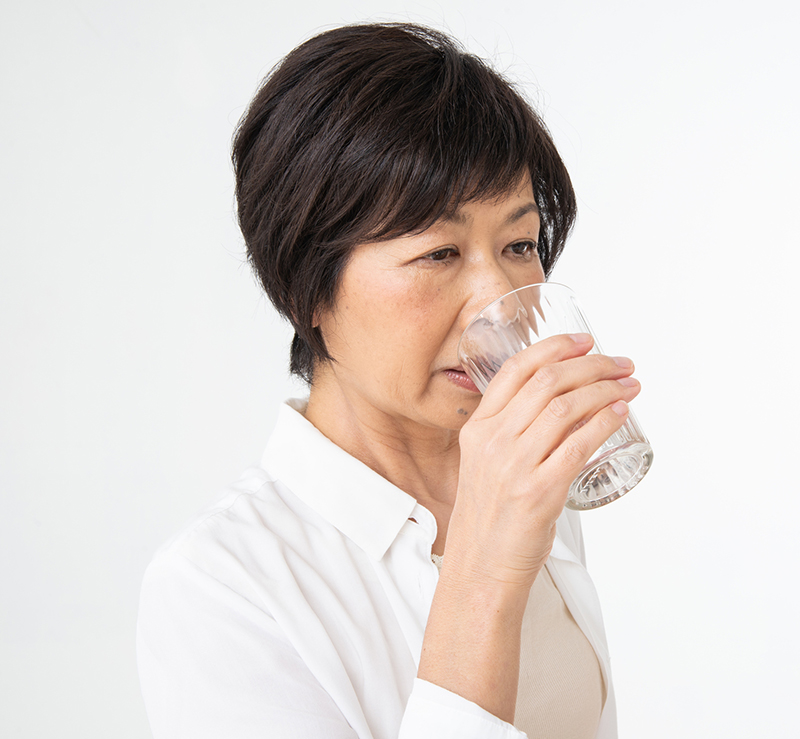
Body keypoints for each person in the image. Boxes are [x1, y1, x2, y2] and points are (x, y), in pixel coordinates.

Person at [137, 22, 641, 739]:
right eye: (438, 252)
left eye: (519, 243)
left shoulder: (528, 484)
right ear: (306, 287)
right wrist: (483, 575)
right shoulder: (220, 586)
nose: (493, 301)